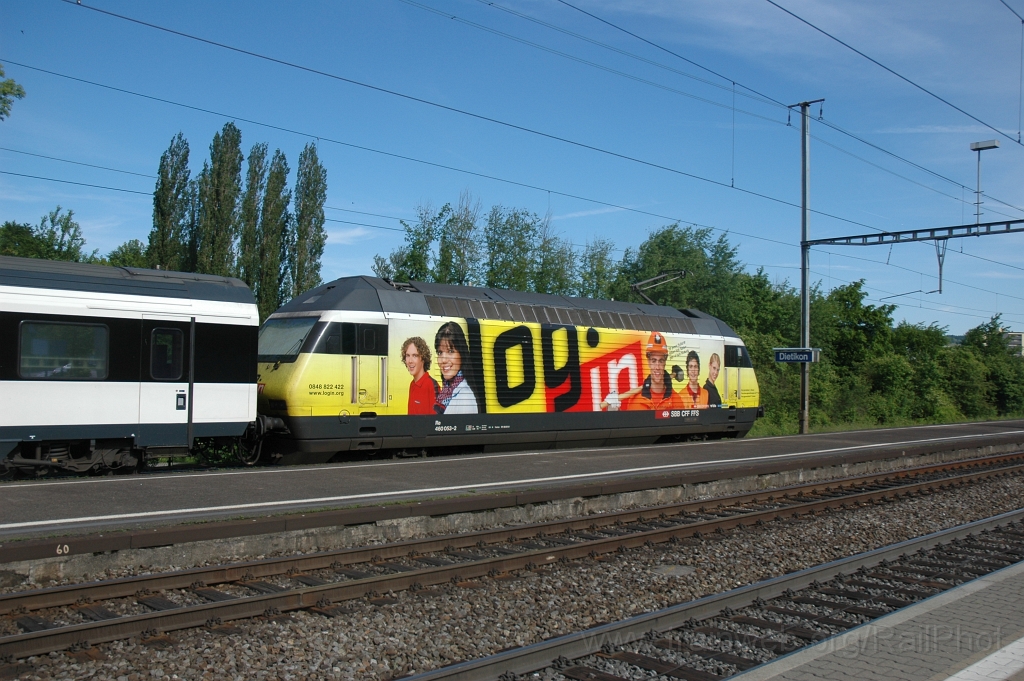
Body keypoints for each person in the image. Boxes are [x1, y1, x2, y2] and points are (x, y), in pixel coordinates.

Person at [620, 332, 684, 411]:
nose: (657, 367)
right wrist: (614, 410)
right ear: (649, 362)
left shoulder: (676, 401)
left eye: (661, 361)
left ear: (665, 363)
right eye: (654, 361)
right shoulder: (635, 401)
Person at [433, 322, 478, 414]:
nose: (443, 360)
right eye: (440, 353)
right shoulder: (447, 392)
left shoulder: (465, 398)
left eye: (450, 351)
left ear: (461, 354)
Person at [402, 337, 438, 415]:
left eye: (415, 356)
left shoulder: (431, 385)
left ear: (423, 358)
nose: (410, 361)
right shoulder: (412, 385)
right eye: (408, 355)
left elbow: (436, 420)